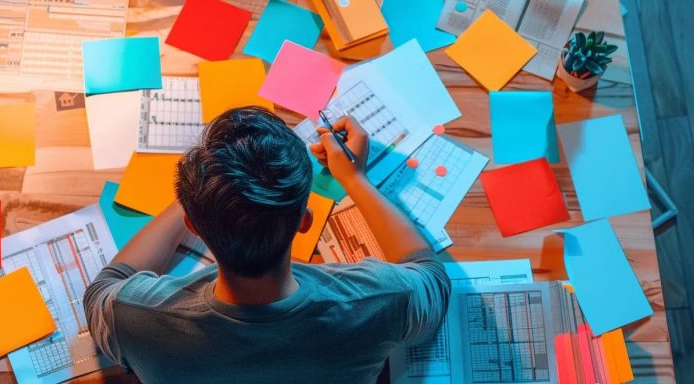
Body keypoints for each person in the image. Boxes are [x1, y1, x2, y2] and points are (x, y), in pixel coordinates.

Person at [84, 106, 450, 383]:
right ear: (303, 223)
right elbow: (431, 277)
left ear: (192, 226)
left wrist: (209, 193)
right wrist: (355, 179)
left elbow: (104, 287)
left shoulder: (136, 317)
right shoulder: (374, 302)